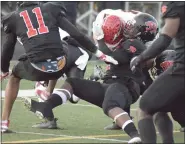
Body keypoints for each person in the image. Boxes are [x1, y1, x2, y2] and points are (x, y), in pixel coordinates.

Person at [0, 2, 118, 133]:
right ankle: (48, 108)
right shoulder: (50, 10)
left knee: (16, 77)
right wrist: (100, 54)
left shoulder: (14, 18)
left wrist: (3, 70)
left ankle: (4, 123)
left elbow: (7, 49)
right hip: (61, 63)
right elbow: (77, 35)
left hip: (63, 60)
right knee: (57, 62)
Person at [130, 2, 185, 143]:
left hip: (182, 68)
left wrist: (142, 57)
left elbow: (166, 37)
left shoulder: (176, 4)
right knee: (160, 107)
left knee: (144, 108)